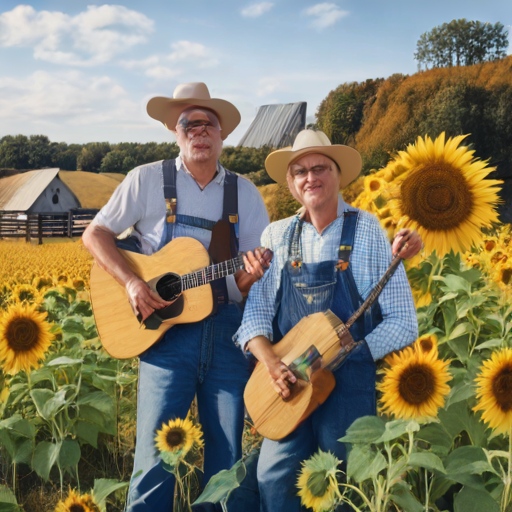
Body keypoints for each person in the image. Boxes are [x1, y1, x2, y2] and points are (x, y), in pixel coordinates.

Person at [82, 82, 271, 511]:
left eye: (209, 124)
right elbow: (95, 235)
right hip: (164, 337)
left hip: (227, 332)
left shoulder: (246, 193)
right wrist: (133, 283)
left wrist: (252, 274)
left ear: (222, 136)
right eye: (189, 123)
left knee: (227, 461)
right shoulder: (146, 179)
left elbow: (241, 282)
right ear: (176, 131)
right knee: (155, 459)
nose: (199, 131)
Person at [233, 129, 419, 512]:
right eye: (299, 171)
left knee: (346, 487)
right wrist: (272, 364)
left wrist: (349, 355)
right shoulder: (277, 234)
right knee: (274, 477)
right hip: (290, 382)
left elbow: (404, 321)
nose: (309, 178)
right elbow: (256, 314)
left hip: (350, 383)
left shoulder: (368, 229)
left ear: (339, 175)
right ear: (290, 182)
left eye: (319, 168)